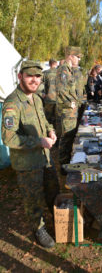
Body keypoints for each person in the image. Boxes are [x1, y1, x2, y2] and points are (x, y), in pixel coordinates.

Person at [2, 60, 60, 248]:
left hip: (45, 157)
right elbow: (8, 138)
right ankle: (38, 228)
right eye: (30, 76)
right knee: (33, 199)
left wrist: (50, 131)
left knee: (53, 190)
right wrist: (38, 141)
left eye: (38, 76)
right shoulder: (12, 103)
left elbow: (43, 122)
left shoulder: (36, 98)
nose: (35, 80)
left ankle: (58, 219)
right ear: (20, 76)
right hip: (27, 164)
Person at [56, 46, 79, 170]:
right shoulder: (63, 70)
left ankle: (67, 162)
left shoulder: (69, 70)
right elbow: (60, 89)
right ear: (70, 56)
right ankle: (64, 165)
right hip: (67, 110)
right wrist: (71, 103)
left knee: (69, 137)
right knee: (66, 137)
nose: (78, 59)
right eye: (77, 57)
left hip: (71, 111)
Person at [43, 58, 58, 129]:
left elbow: (40, 86)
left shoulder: (45, 73)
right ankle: (57, 137)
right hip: (59, 99)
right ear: (56, 64)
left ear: (49, 64)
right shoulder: (60, 73)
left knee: (47, 119)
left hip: (48, 99)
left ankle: (48, 134)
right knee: (57, 119)